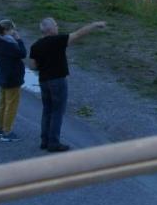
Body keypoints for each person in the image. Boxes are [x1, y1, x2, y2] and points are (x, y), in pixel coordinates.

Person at [28, 17, 106, 152]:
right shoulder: (58, 41)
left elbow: (33, 66)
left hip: (43, 81)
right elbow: (78, 34)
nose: (58, 28)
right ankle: (54, 142)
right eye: (56, 25)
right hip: (57, 80)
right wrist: (94, 25)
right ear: (50, 29)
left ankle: (44, 141)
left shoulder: (36, 45)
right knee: (58, 111)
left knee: (47, 110)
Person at [0, 19, 27, 142]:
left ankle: (0, 128)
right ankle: (7, 131)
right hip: (13, 79)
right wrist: (19, 40)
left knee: (3, 104)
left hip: (3, 76)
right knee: (12, 105)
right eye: (12, 29)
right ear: (6, 30)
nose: (14, 32)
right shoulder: (8, 44)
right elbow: (22, 53)